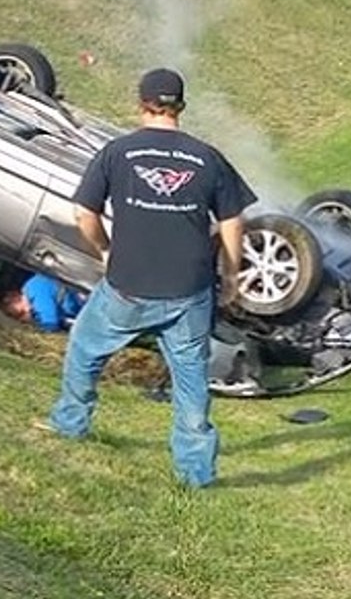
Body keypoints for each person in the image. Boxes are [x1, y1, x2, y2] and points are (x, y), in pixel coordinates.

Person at [41, 67, 249, 489]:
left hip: (128, 285)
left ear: (141, 105)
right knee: (191, 380)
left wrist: (104, 249)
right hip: (189, 289)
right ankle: (195, 474)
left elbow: (84, 213)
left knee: (85, 348)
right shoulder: (207, 157)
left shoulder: (118, 152)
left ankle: (70, 423)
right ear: (181, 108)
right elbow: (232, 219)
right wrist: (231, 274)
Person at [2, 273, 88, 332]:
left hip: (83, 300)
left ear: (16, 297)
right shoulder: (31, 287)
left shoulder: (37, 293)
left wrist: (35, 328)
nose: (25, 317)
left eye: (22, 313)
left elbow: (50, 324)